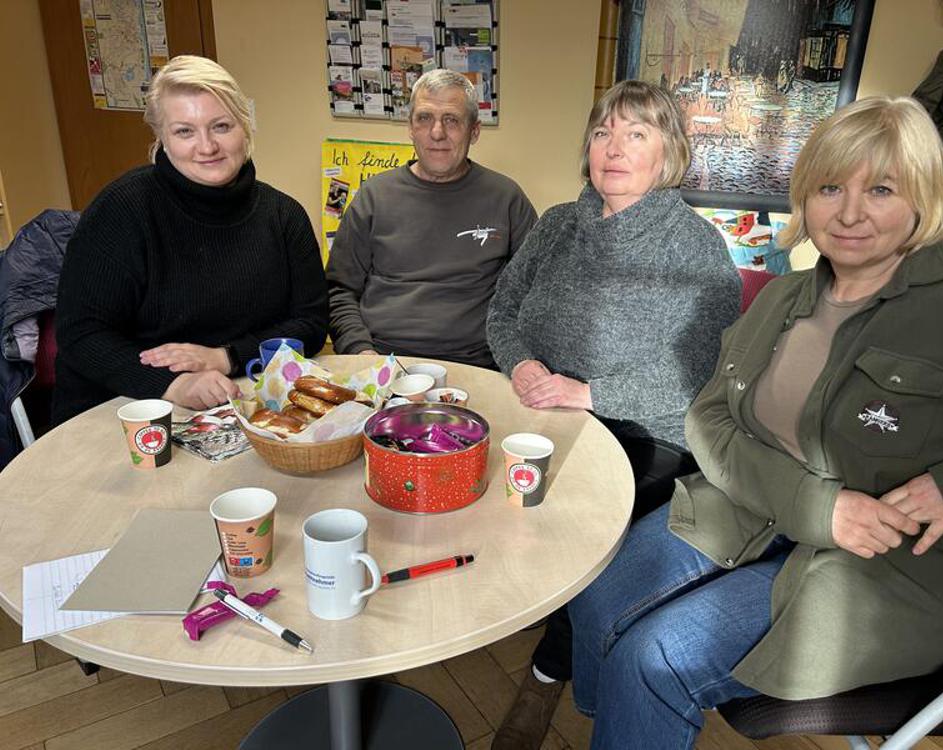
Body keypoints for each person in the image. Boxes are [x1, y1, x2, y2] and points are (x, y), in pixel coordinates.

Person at [568, 96, 943, 749]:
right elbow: (710, 417)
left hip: (882, 572)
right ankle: (617, 724)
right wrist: (812, 504)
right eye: (830, 187)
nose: (849, 212)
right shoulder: (790, 293)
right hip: (754, 510)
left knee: (652, 658)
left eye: (880, 189)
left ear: (923, 195)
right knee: (595, 588)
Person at [486, 80, 740, 749]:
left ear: (669, 153)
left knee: (573, 519)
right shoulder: (555, 227)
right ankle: (504, 612)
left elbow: (701, 374)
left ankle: (548, 672)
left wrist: (590, 393)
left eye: (637, 134)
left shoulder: (697, 249)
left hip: (643, 432)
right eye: (603, 132)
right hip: (539, 405)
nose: (614, 148)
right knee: (469, 475)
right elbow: (503, 310)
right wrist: (523, 366)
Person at [53, 55, 327, 423]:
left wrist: (225, 356)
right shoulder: (122, 210)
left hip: (241, 402)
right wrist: (173, 385)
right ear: (161, 138)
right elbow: (80, 335)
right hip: (128, 409)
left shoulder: (283, 216)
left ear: (245, 126)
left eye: (221, 126)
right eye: (185, 131)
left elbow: (309, 325)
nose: (207, 146)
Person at [326, 69, 537, 369]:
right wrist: (361, 353)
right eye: (424, 118)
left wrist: (517, 360)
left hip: (478, 365)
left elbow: (535, 293)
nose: (437, 132)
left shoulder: (506, 199)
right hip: (383, 361)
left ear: (474, 131)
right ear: (410, 127)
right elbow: (339, 291)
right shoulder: (373, 197)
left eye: (451, 120)